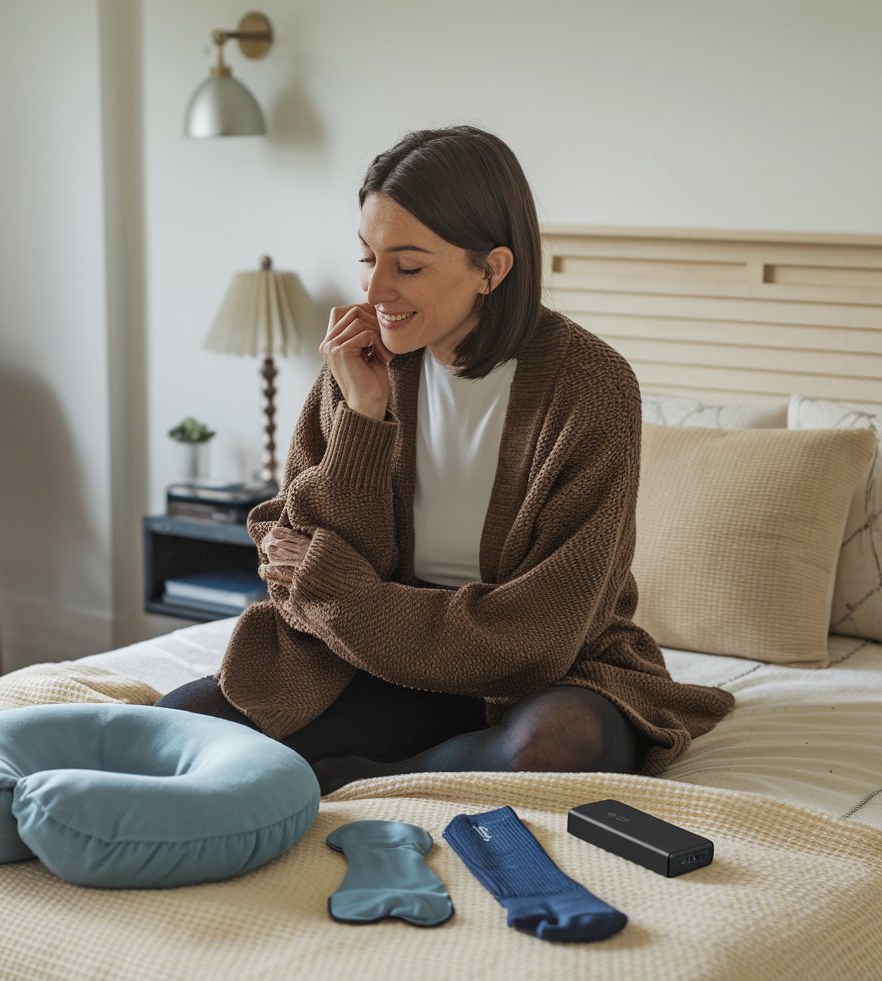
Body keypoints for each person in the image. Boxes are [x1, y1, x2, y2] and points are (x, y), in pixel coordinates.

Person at [156, 126, 734, 793]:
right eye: (368, 257)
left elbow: (542, 630)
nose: (375, 292)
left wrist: (349, 595)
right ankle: (420, 772)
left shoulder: (592, 386)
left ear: (491, 269)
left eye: (408, 266)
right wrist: (364, 418)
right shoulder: (356, 366)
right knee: (179, 723)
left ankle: (335, 786)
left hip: (542, 675)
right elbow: (292, 560)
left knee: (554, 747)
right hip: (369, 660)